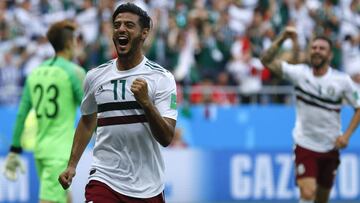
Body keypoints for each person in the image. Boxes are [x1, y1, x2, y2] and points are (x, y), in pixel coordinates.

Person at [58, 3, 178, 203]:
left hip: (147, 187)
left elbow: (166, 138)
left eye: (129, 25)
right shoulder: (95, 76)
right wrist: (72, 165)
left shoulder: (161, 78)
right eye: (117, 25)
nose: (121, 29)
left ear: (144, 33)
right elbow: (87, 122)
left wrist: (147, 104)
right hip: (104, 180)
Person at [260, 26, 360, 203]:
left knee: (322, 199)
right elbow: (266, 60)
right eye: (314, 48)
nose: (317, 51)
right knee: (307, 193)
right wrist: (283, 37)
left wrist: (347, 136)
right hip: (305, 144)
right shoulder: (299, 74)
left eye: (322, 49)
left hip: (330, 146)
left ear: (329, 55)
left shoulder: (341, 81)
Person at [3, 20, 85, 203]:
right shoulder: (75, 72)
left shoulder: (35, 72)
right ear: (69, 43)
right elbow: (90, 111)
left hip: (40, 150)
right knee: (51, 199)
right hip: (60, 153)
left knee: (62, 196)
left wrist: (14, 150)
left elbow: (21, 114)